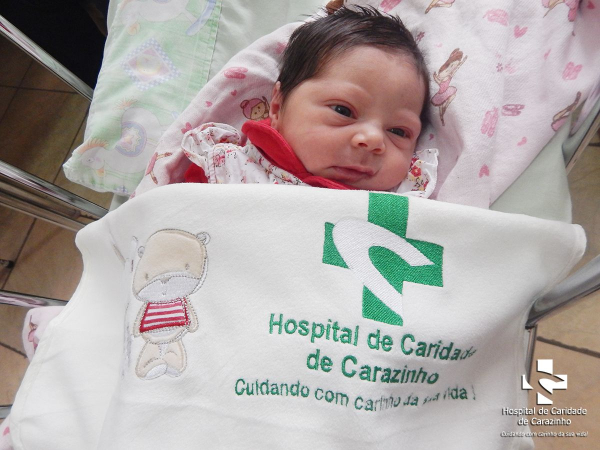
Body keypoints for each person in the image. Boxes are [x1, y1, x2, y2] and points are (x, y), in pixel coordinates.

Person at [182, 5, 437, 195]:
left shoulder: (405, 201)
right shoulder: (229, 169)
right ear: (277, 107)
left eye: (398, 131)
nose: (372, 140)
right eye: (343, 110)